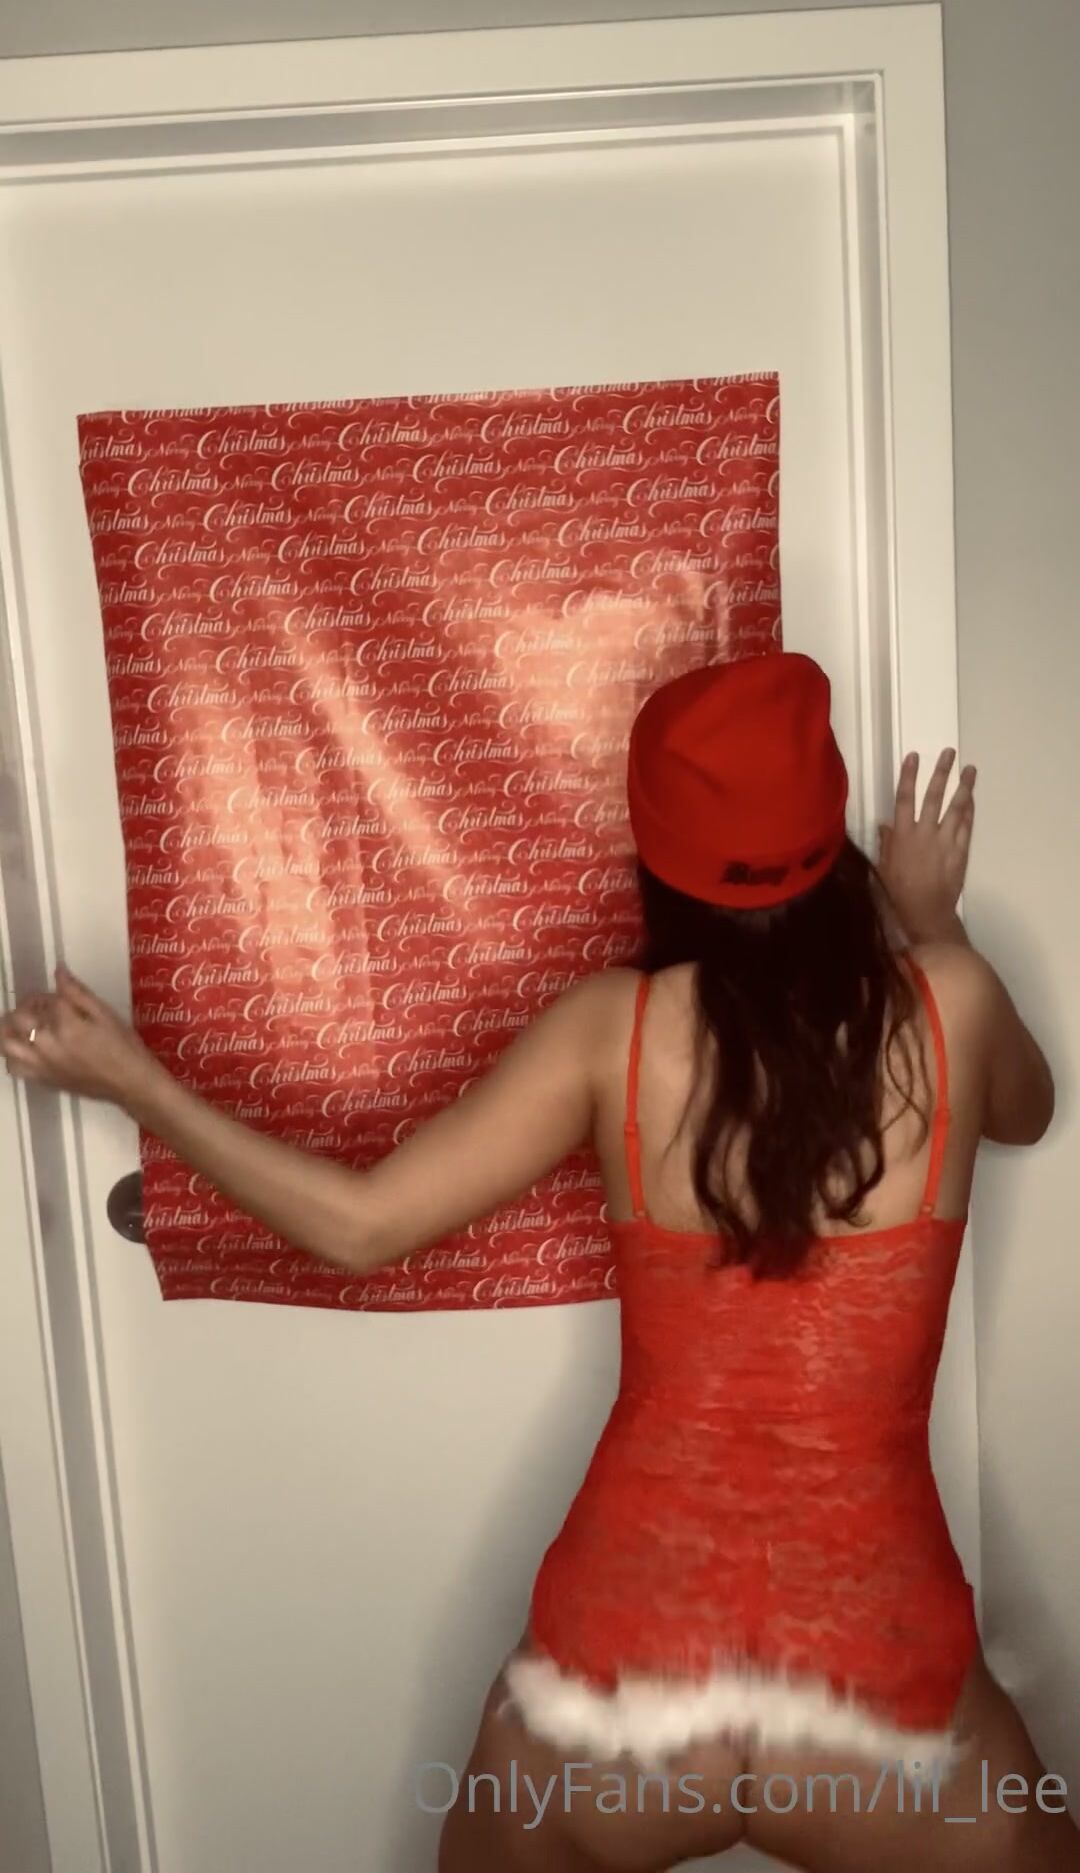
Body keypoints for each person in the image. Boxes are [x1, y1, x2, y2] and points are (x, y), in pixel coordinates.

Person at [1, 651, 1074, 1873]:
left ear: (659, 857)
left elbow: (361, 1226)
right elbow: (1027, 1110)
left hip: (613, 1689)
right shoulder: (954, 1005)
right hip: (882, 1691)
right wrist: (935, 924)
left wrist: (135, 1082)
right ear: (832, 835)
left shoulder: (610, 1033)